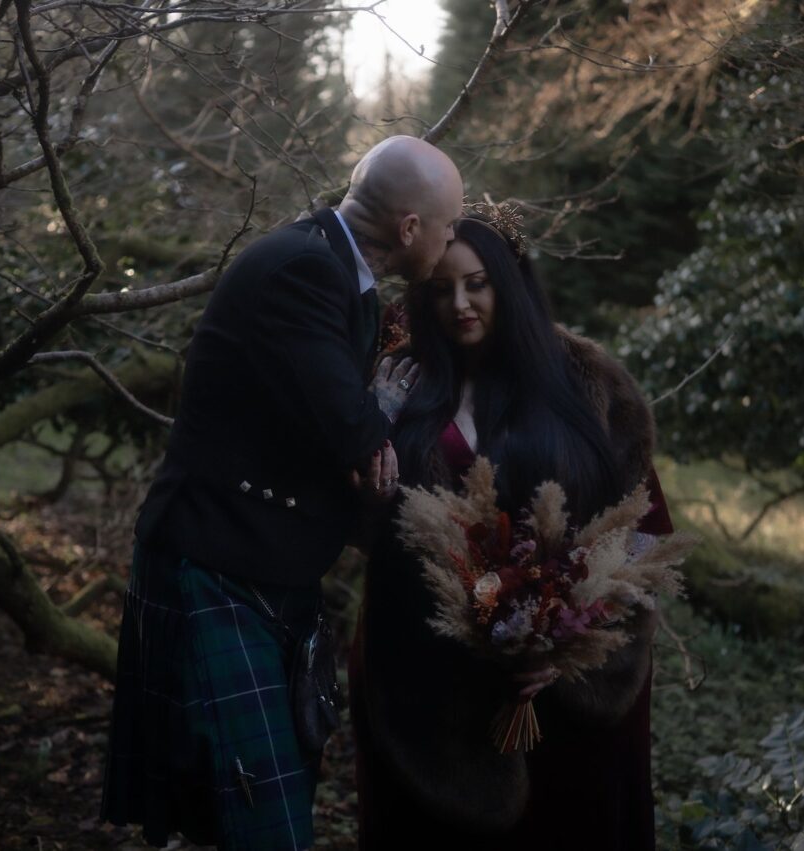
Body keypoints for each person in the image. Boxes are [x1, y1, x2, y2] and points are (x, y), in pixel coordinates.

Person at [101, 135, 464, 850]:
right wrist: (377, 417)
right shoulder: (305, 268)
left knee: (262, 806)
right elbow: (352, 431)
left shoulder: (335, 271)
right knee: (262, 822)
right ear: (410, 228)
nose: (453, 240)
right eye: (449, 224)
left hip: (263, 564)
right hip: (216, 561)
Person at [349, 210, 674, 849]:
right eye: (441, 290)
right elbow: (367, 536)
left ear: (511, 284)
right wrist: (371, 454)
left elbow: (644, 530)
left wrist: (571, 639)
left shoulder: (589, 385)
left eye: (478, 284)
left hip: (572, 701)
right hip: (432, 696)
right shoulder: (403, 388)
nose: (460, 305)